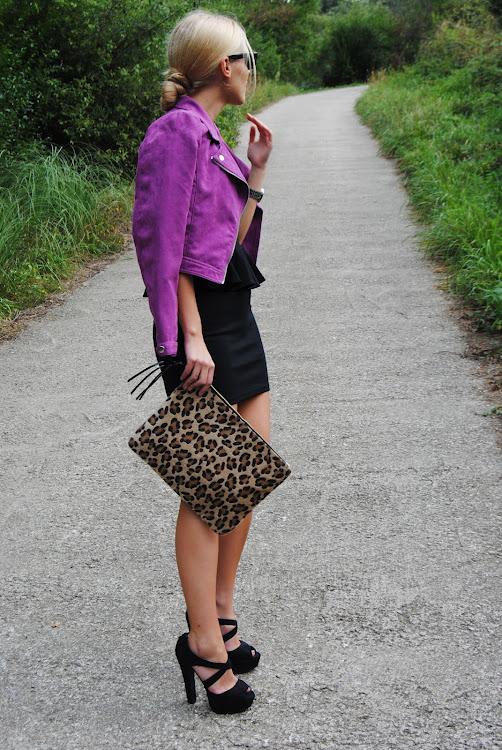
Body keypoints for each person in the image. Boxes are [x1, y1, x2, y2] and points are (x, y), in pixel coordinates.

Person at [131, 9, 273, 714]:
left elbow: (223, 245)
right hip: (203, 329)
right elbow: (169, 252)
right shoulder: (174, 134)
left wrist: (253, 175)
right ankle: (201, 644)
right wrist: (189, 338)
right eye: (249, 57)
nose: (254, 68)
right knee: (206, 486)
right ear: (226, 66)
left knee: (244, 477)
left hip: (234, 316)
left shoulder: (211, 137)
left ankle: (220, 613)